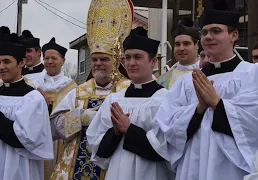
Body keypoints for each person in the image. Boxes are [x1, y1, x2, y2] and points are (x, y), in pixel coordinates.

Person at [146, 9, 258, 180]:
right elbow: (166, 125)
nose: (208, 37)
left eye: (216, 31)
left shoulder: (254, 74)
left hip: (232, 166)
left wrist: (218, 104)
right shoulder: (187, 81)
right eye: (204, 32)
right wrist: (198, 109)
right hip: (192, 163)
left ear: (234, 35)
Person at [49, 0, 133, 179]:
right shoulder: (78, 92)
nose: (98, 64)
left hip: (113, 164)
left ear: (116, 61)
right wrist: (80, 117)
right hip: (74, 163)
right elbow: (53, 128)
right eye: (94, 60)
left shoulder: (128, 90)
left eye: (104, 59)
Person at [87, 27, 175, 180]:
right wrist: (115, 133)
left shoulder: (165, 99)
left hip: (152, 174)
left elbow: (168, 148)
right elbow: (97, 147)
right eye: (127, 57)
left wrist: (129, 130)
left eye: (138, 57)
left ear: (153, 61)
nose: (131, 63)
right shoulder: (114, 100)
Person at [0, 30, 53, 179]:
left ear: (21, 62)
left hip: (19, 167)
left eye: (6, 61)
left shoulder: (33, 98)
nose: (1, 67)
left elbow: (23, 139)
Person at [25, 37, 77, 180]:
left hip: (59, 141)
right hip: (36, 137)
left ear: (63, 61)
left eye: (54, 58)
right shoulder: (31, 83)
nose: (49, 61)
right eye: (46, 58)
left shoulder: (71, 87)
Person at [157, 24, 200, 89]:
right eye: (177, 44)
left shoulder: (206, 74)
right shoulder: (163, 80)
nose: (181, 48)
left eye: (186, 43)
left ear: (197, 45)